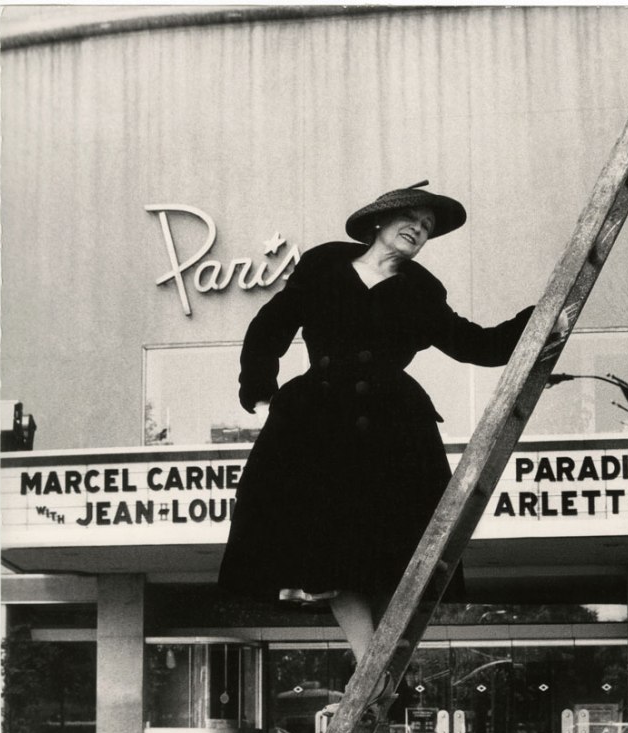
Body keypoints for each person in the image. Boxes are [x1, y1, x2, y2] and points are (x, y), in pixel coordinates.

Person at [219, 181, 534, 669]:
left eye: (427, 227)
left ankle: (380, 668)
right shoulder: (323, 267)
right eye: (410, 219)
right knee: (328, 552)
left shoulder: (423, 292)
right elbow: (268, 329)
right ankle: (373, 666)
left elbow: (478, 345)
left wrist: (540, 319)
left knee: (396, 555)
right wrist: (262, 395)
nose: (419, 230)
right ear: (378, 222)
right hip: (317, 425)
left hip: (393, 431)